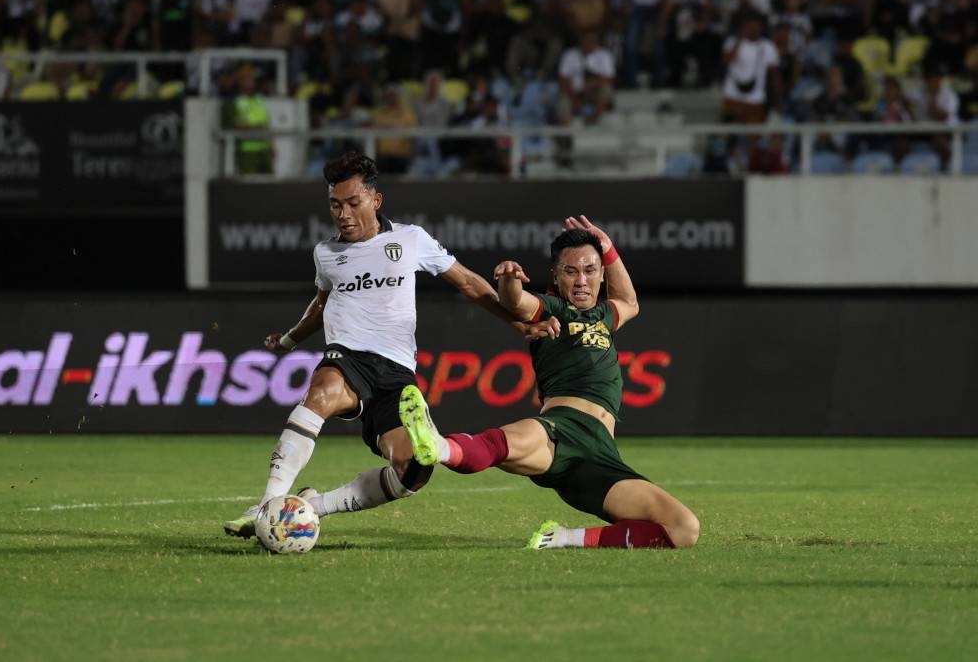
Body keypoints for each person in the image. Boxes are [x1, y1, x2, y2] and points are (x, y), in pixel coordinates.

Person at [224, 151, 557, 538]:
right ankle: (267, 505)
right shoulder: (327, 254)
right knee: (323, 391)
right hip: (347, 356)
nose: (343, 214)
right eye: (335, 205)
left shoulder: (410, 240)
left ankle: (311, 506)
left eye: (352, 203)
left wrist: (518, 322)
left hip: (396, 371)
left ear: (375, 200)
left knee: (412, 472)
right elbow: (320, 306)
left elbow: (468, 282)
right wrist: (288, 339)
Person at [398, 216, 701, 550]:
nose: (582, 280)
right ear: (556, 275)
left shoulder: (605, 316)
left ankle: (563, 537)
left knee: (684, 529)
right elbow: (516, 302)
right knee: (500, 444)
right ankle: (436, 445)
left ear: (602, 274)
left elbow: (630, 302)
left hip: (600, 457)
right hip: (560, 429)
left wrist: (610, 249)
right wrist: (509, 279)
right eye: (571, 271)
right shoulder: (553, 310)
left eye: (590, 270)